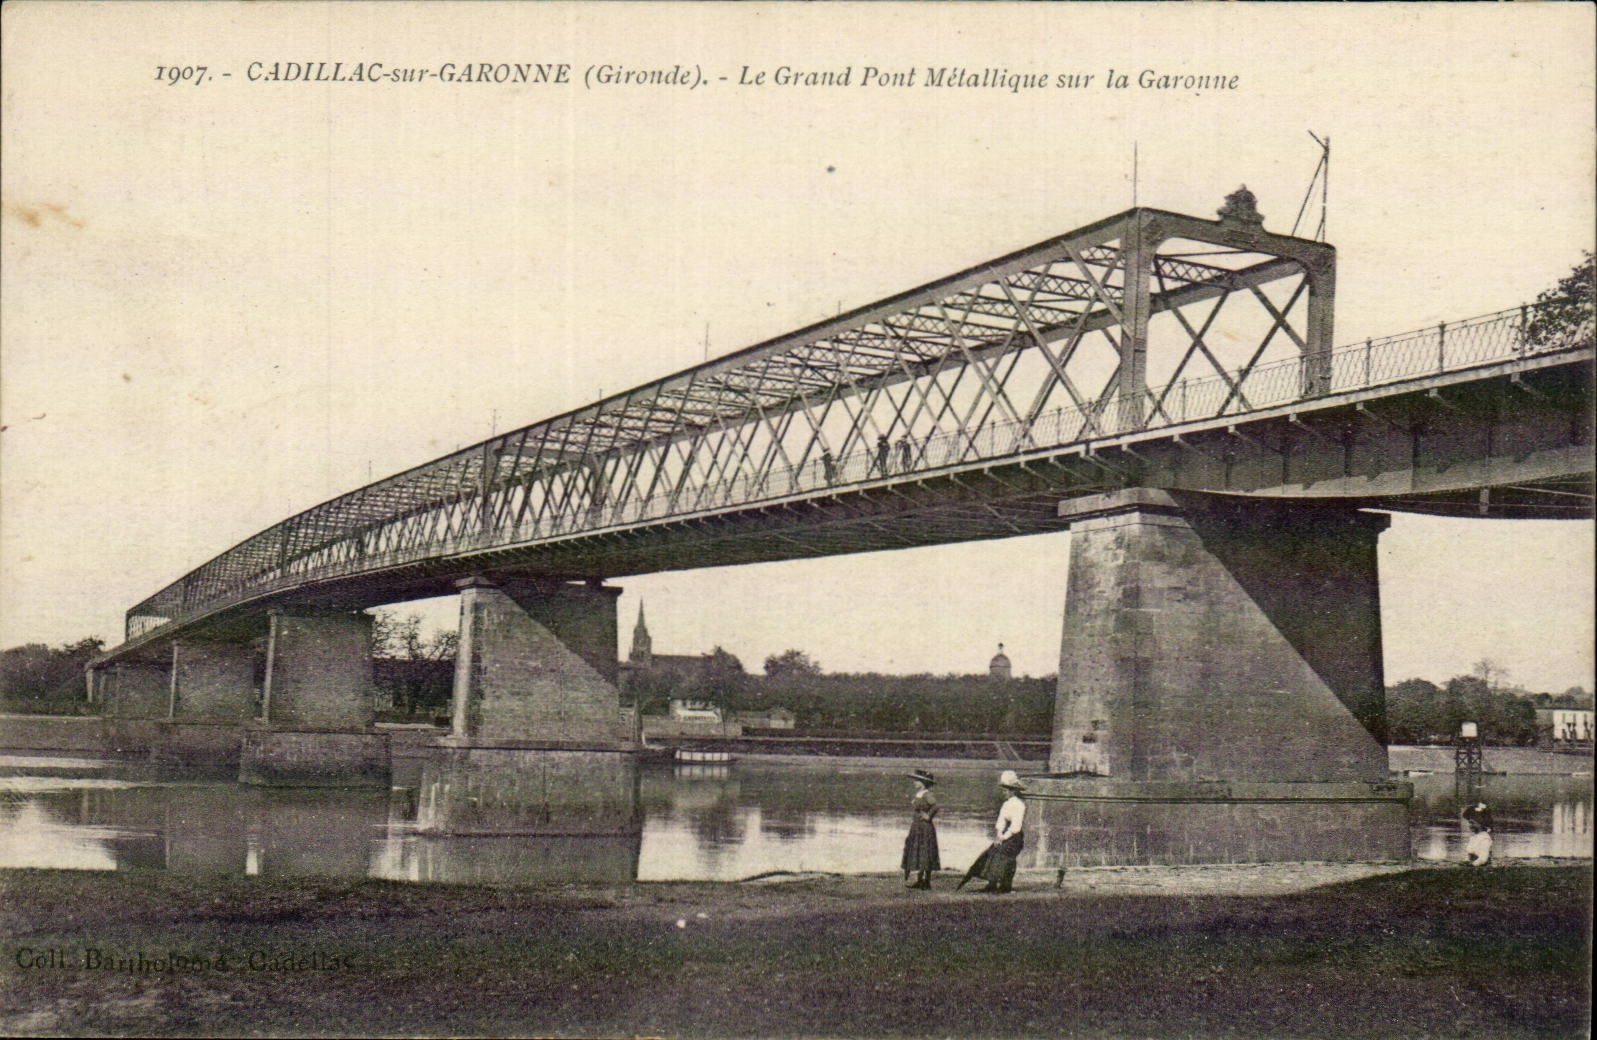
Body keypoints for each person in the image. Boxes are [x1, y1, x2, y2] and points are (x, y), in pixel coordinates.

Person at [959, 770, 1026, 893]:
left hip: (1015, 837)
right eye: (1004, 790)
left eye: (1006, 790)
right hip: (1005, 834)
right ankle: (992, 884)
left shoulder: (1019, 805)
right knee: (991, 852)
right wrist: (999, 835)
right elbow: (1001, 822)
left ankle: (1005, 886)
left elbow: (1015, 827)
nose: (1004, 792)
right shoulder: (1006, 804)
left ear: (1013, 791)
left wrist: (1004, 838)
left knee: (1003, 855)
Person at [900, 769, 940, 889]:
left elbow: (936, 806)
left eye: (916, 780)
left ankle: (926, 881)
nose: (914, 783)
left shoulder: (927, 794)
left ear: (922, 782)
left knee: (925, 851)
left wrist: (928, 816)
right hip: (917, 826)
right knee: (919, 851)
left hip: (924, 827)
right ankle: (920, 880)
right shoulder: (920, 793)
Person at [1463, 801, 1494, 866]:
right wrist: (1466, 861)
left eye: (1472, 823)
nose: (1470, 825)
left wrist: (1472, 865)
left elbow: (1483, 859)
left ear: (1481, 824)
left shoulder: (1485, 839)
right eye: (1469, 823)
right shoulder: (1474, 837)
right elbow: (1469, 854)